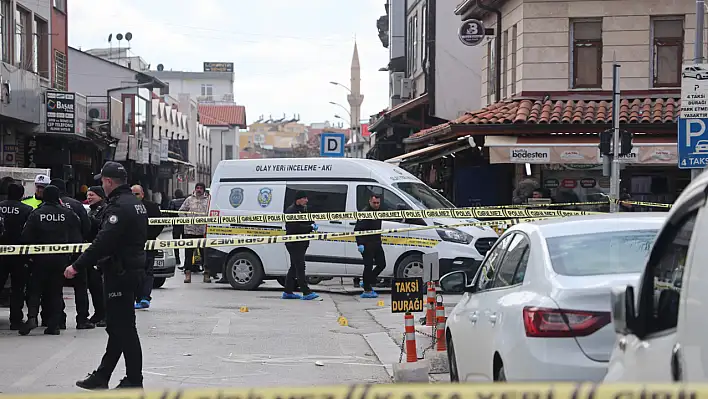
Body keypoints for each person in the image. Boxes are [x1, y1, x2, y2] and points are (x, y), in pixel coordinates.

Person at [66, 161, 148, 389]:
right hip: (130, 270)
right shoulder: (135, 204)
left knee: (124, 328)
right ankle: (103, 375)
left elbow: (102, 243)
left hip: (120, 273)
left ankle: (134, 379)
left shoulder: (120, 207)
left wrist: (76, 266)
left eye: (102, 181)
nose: (101, 184)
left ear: (109, 182)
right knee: (118, 326)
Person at [19, 185, 82, 336]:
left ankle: (32, 317)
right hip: (61, 259)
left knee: (35, 289)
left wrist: (27, 256)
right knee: (56, 291)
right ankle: (54, 324)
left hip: (39, 259)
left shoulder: (36, 213)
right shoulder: (68, 213)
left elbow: (25, 237)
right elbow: (77, 234)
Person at [51, 178, 94, 329]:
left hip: (55, 252)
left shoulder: (49, 206)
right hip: (77, 250)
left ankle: (60, 320)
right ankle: (82, 319)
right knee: (80, 286)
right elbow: (87, 226)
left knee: (56, 286)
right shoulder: (77, 205)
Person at [0, 182, 32, 330]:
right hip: (20, 254)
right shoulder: (27, 209)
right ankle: (16, 320)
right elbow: (30, 232)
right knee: (18, 288)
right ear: (22, 195)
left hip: (1, 253)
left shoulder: (0, 207)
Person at [282, 191, 320, 301]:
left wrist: (313, 223)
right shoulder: (291, 211)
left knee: (294, 267)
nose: (306, 200)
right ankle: (306, 292)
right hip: (294, 243)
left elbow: (307, 220)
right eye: (304, 198)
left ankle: (287, 292)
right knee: (300, 267)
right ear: (298, 199)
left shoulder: (303, 209)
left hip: (302, 243)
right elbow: (294, 228)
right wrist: (309, 227)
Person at [132, 185, 164, 309]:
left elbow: (160, 224)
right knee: (135, 272)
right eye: (132, 194)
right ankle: (135, 296)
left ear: (143, 194)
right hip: (133, 246)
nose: (135, 197)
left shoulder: (151, 207)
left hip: (149, 245)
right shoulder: (128, 207)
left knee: (148, 272)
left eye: (137, 194)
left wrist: (150, 237)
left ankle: (145, 297)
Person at [354, 193, 386, 299]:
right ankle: (367, 289)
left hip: (376, 242)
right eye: (374, 203)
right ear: (370, 202)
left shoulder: (379, 212)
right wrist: (360, 244)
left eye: (378, 203)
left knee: (382, 264)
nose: (376, 205)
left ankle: (367, 281)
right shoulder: (365, 213)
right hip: (366, 244)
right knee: (368, 266)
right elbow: (357, 230)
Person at [179, 183, 210, 283]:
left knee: (204, 254)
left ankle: (206, 274)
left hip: (203, 231)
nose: (199, 190)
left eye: (201, 188)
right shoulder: (189, 199)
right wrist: (186, 220)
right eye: (197, 188)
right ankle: (187, 274)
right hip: (190, 230)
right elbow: (181, 211)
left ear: (204, 190)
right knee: (188, 254)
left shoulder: (208, 200)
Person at [86, 186, 108, 327]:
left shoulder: (105, 210)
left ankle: (105, 314)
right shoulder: (91, 211)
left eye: (92, 195)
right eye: (87, 195)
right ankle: (98, 312)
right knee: (93, 286)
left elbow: (103, 228)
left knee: (101, 286)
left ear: (100, 196)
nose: (89, 198)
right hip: (91, 252)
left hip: (102, 253)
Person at [167, 189, 186, 266]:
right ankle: (186, 260)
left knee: (176, 243)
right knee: (187, 243)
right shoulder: (185, 201)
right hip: (185, 224)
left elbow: (170, 212)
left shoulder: (173, 202)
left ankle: (177, 259)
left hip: (176, 224)